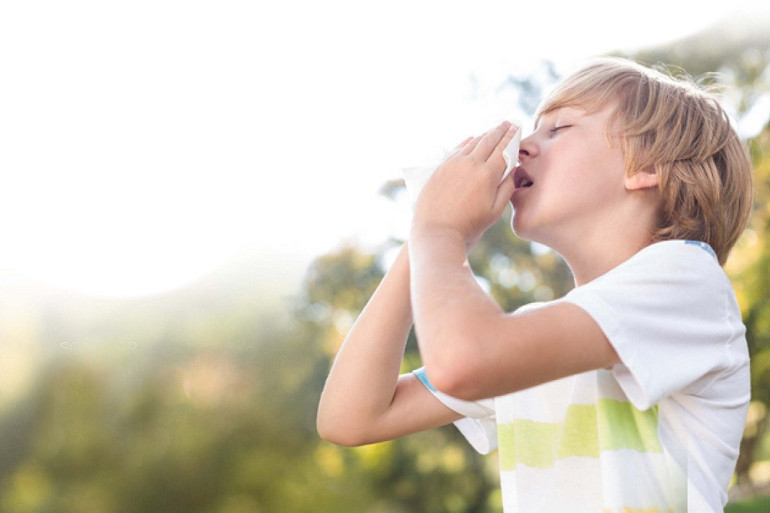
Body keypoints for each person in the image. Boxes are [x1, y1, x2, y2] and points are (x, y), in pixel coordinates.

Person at [316, 57, 754, 512]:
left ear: (646, 165)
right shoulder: (526, 341)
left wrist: (441, 229)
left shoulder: (686, 280)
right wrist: (424, 232)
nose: (523, 145)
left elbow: (464, 360)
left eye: (559, 129)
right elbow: (350, 418)